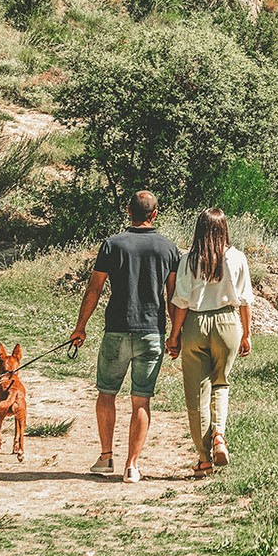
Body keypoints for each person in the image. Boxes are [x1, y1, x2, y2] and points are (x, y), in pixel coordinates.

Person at [71, 190, 179, 484]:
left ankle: (106, 456)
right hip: (152, 332)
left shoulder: (112, 245)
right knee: (141, 400)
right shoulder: (169, 249)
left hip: (117, 329)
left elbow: (94, 289)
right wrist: (175, 335)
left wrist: (80, 327)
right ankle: (132, 466)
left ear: (128, 211)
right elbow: (173, 297)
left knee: (107, 393)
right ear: (155, 214)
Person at [166, 207, 253, 477]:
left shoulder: (188, 260)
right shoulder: (237, 257)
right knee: (221, 382)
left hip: (196, 322)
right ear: (224, 229)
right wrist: (247, 334)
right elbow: (245, 300)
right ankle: (219, 435)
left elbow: (181, 302)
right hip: (228, 322)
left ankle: (204, 459)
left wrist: (174, 335)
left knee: (196, 394)